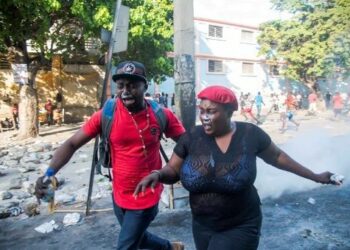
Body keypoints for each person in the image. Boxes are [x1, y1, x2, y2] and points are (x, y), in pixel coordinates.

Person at [134, 85, 341, 250]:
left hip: (240, 224)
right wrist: (158, 174)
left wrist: (315, 176)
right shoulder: (191, 137)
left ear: (230, 111)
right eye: (202, 111)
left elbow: (278, 157)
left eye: (212, 111)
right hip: (202, 225)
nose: (204, 117)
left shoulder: (250, 134)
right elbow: (173, 170)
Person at [35, 61, 186, 250]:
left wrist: (173, 169)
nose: (126, 90)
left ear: (145, 86)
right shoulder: (106, 114)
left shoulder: (161, 114)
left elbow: (187, 142)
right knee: (136, 237)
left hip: (148, 194)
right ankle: (170, 248)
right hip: (119, 193)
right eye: (121, 85)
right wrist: (49, 174)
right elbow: (72, 143)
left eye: (133, 85)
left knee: (126, 245)